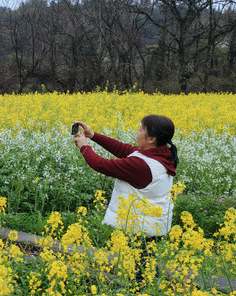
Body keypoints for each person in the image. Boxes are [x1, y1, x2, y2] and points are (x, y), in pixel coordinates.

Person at [73, 114, 178, 282]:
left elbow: (101, 164)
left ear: (151, 139)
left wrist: (84, 147)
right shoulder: (161, 154)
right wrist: (93, 136)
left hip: (142, 225)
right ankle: (150, 287)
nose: (136, 133)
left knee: (142, 267)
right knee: (145, 260)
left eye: (140, 129)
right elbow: (124, 150)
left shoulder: (142, 165)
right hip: (152, 222)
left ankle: (146, 295)